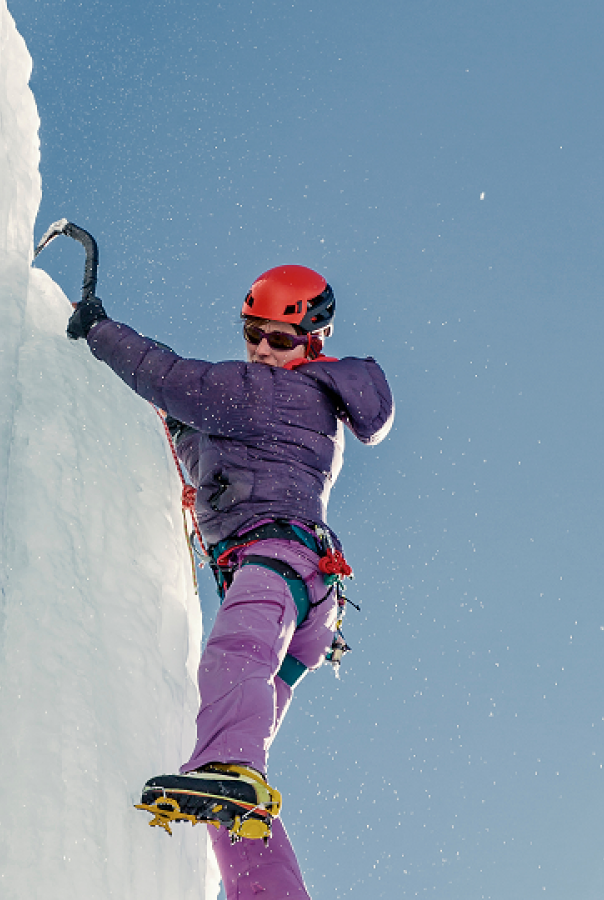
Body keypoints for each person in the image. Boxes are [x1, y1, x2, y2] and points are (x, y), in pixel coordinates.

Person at [66, 263, 393, 899]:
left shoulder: (268, 393)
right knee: (231, 783)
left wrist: (99, 330)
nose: (264, 351)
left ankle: (229, 770)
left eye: (281, 340)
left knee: (230, 671)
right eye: (254, 334)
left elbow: (175, 380)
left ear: (312, 344)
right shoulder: (283, 406)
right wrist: (176, 431)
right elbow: (213, 443)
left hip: (278, 566)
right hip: (306, 597)